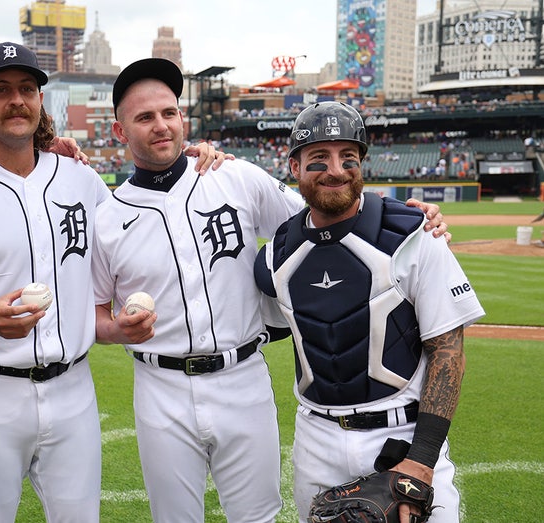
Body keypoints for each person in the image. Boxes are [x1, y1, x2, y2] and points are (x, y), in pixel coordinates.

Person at [92, 60, 449, 523]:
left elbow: (329, 207)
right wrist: (117, 330)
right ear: (120, 131)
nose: (161, 125)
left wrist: (410, 218)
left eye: (169, 113)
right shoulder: (108, 216)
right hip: (159, 385)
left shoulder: (235, 177)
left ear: (183, 119)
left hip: (242, 376)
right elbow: (95, 316)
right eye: (145, 118)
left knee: (257, 516)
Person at [0, 44, 227, 523]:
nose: (17, 100)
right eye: (1, 90)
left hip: (73, 390)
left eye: (27, 89)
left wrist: (192, 159)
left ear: (41, 99)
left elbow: (141, 225)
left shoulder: (79, 177)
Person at [253, 101, 485, 522]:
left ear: (363, 164)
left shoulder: (415, 236)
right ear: (294, 167)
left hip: (404, 434)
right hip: (315, 439)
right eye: (318, 158)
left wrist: (422, 461)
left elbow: (448, 351)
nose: (336, 170)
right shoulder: (273, 257)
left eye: (349, 158)